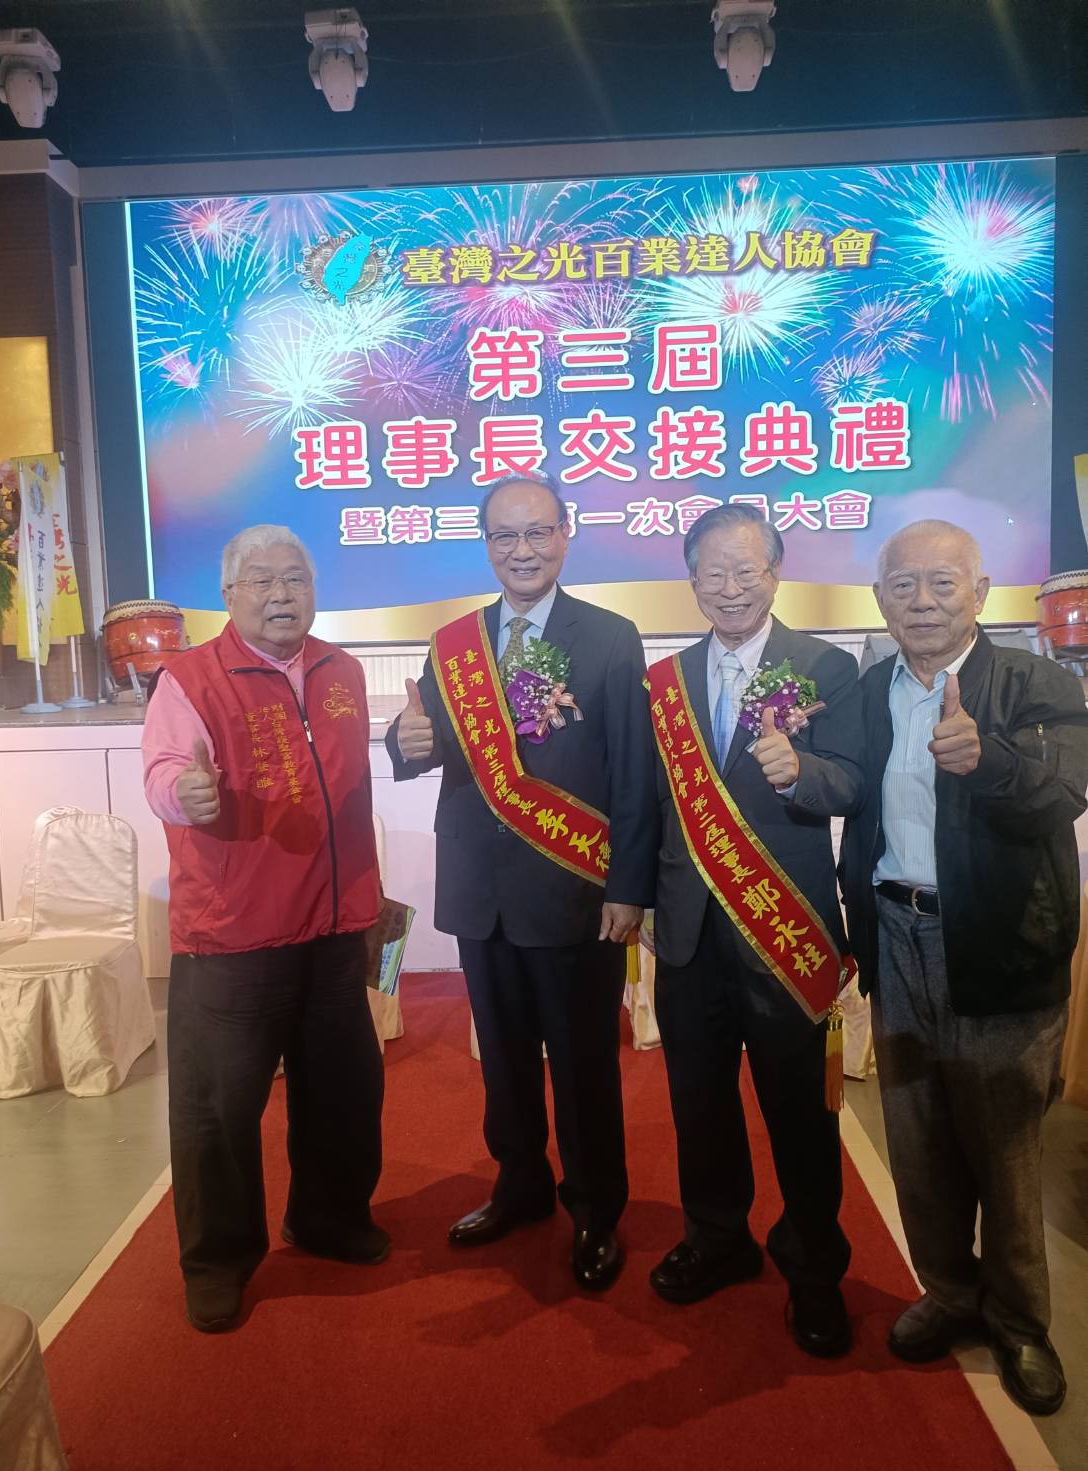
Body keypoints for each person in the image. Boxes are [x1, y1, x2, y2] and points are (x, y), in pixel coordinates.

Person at [840, 519, 1088, 1414]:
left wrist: (990, 761)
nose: (922, 601)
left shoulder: (1034, 680)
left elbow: (1066, 789)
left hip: (998, 942)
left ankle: (1019, 1322)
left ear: (979, 594)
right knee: (917, 1139)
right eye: (903, 585)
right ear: (881, 599)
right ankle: (949, 1292)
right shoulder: (868, 692)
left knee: (1005, 1149)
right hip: (894, 933)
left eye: (943, 583)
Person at [386, 473, 657, 1291]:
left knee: (582, 1063)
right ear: (486, 544)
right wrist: (404, 741)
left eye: (538, 531)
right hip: (481, 889)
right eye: (505, 535)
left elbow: (634, 772)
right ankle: (520, 1184)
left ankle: (596, 1208)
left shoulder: (610, 637)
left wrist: (628, 887)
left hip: (575, 890)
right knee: (503, 1060)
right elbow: (425, 741)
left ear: (566, 533)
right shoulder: (454, 644)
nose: (523, 549)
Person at [142, 524, 386, 1333]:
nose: (281, 594)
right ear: (229, 595)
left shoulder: (342, 669)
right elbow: (164, 769)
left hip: (333, 923)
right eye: (262, 581)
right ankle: (218, 1261)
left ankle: (328, 1217)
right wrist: (186, 794)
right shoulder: (191, 678)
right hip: (234, 934)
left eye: (296, 578)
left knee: (345, 1090)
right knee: (218, 1110)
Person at [646, 503, 863, 1357]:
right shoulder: (664, 681)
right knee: (698, 1102)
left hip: (783, 926)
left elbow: (852, 781)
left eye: (747, 570)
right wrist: (640, 899)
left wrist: (801, 771)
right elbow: (647, 806)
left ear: (775, 573)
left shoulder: (825, 666)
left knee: (800, 1112)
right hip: (688, 932)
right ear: (692, 579)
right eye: (714, 573)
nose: (731, 588)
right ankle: (717, 1238)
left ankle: (814, 1269)